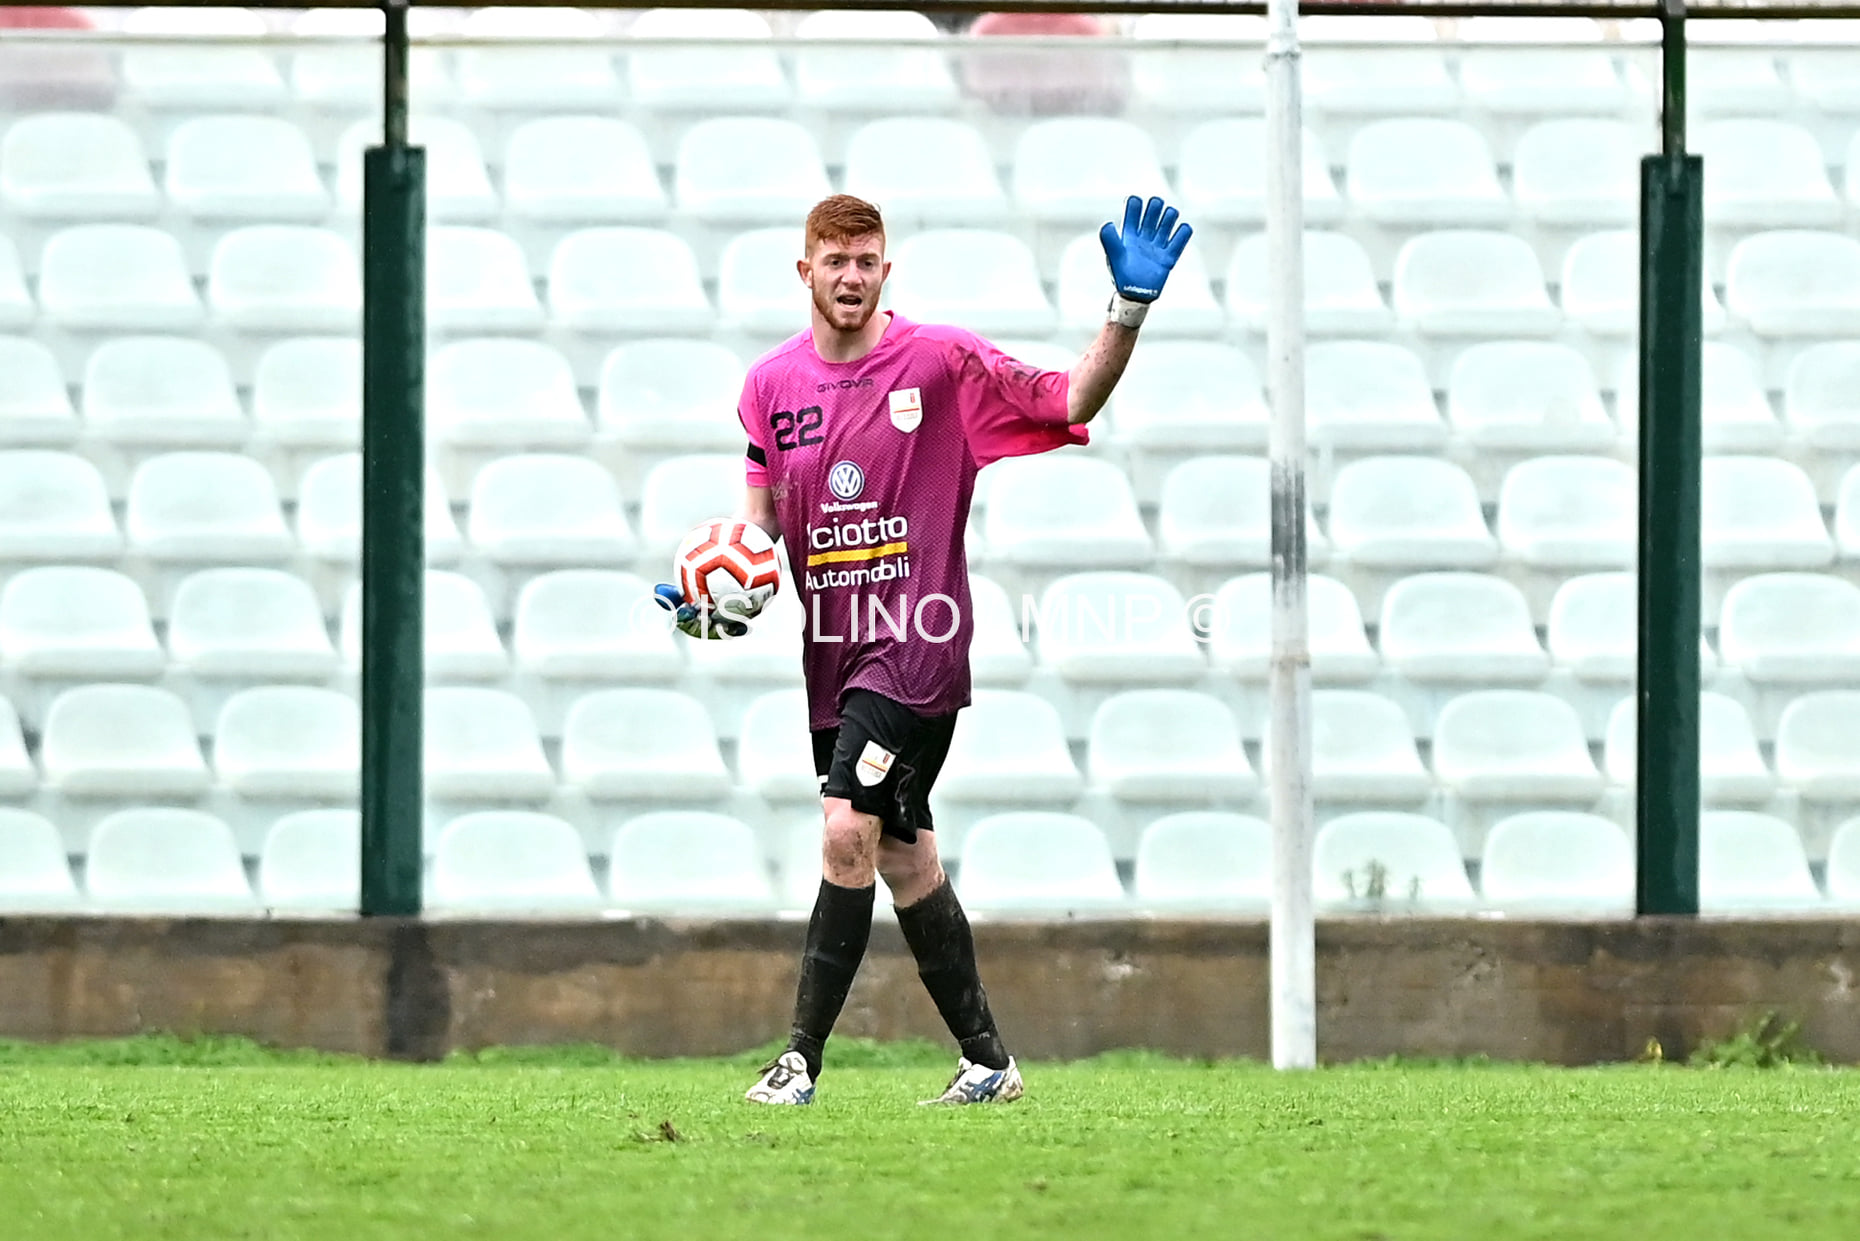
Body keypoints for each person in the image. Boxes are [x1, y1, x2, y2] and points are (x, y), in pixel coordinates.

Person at [655, 192, 1192, 1105]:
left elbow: (1069, 397)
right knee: (904, 860)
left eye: (866, 261)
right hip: (834, 659)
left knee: (844, 829)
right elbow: (759, 534)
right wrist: (712, 594)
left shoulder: (940, 362)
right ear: (806, 272)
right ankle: (988, 1061)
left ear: (885, 269)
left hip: (917, 648)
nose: (851, 277)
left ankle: (798, 1061)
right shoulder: (769, 388)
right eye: (835, 262)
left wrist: (1126, 310)